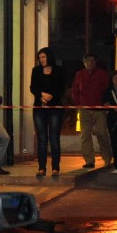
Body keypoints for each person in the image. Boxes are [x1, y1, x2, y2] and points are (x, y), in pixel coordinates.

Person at [71, 52, 113, 169]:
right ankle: (89, 160)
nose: (91, 63)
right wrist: (78, 103)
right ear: (84, 63)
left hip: (99, 110)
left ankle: (107, 159)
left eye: (93, 61)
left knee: (102, 134)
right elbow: (75, 90)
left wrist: (105, 102)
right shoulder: (79, 74)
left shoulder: (102, 74)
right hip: (84, 110)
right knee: (85, 136)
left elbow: (107, 90)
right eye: (88, 61)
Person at [29, 46, 65, 177]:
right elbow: (33, 87)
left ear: (49, 57)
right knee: (42, 139)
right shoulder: (36, 70)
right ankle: (41, 168)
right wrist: (41, 95)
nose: (41, 59)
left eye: (43, 57)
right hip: (39, 108)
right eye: (39, 57)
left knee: (54, 138)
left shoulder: (59, 70)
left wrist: (51, 96)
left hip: (55, 108)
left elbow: (61, 88)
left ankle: (55, 168)